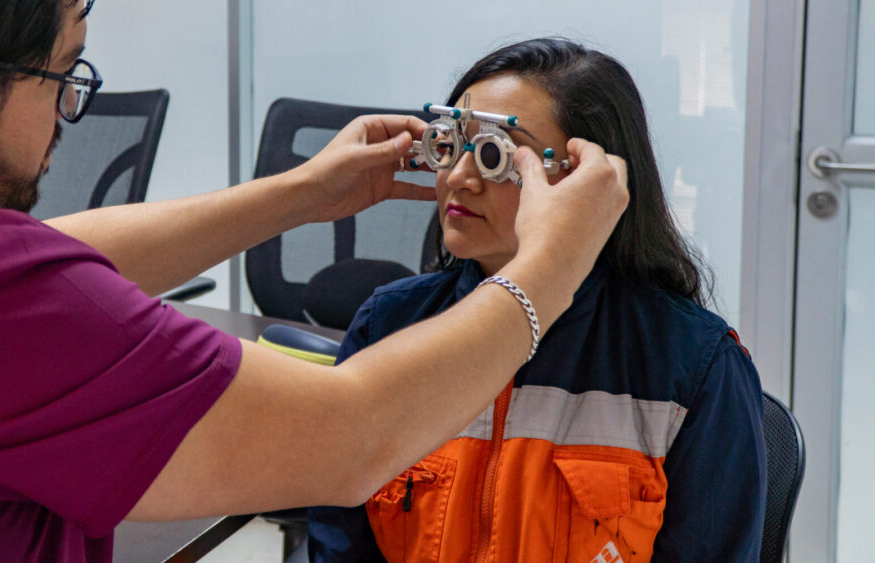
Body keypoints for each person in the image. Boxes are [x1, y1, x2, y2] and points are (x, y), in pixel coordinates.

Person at [0, 0, 629, 561]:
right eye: (63, 74)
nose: (68, 114)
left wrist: (301, 194)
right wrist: (553, 263)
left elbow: (50, 262)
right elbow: (354, 435)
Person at [308, 39, 766, 563]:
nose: (459, 177)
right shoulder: (387, 324)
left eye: (495, 155)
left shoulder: (693, 366)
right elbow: (338, 540)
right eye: (451, 145)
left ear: (588, 180)